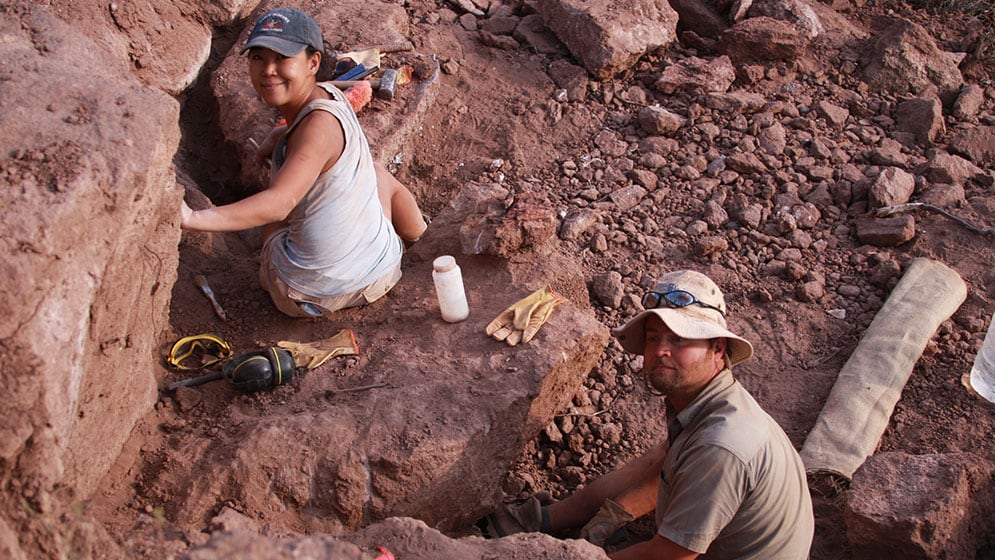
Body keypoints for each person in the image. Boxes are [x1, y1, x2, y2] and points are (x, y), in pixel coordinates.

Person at [481, 270, 814, 559]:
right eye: (654, 338)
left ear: (718, 349)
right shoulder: (707, 406)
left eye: (680, 339)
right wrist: (554, 518)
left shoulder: (721, 446)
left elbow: (670, 555)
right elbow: (660, 468)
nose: (660, 351)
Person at [180, 7, 427, 318]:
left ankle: (286, 269)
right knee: (377, 174)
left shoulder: (318, 129)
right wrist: (279, 136)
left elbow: (278, 205)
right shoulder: (329, 96)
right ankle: (421, 239)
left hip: (308, 293)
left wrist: (193, 217)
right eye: (258, 57)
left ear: (313, 62)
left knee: (281, 190)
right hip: (383, 269)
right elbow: (314, 138)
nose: (268, 70)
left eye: (282, 58)